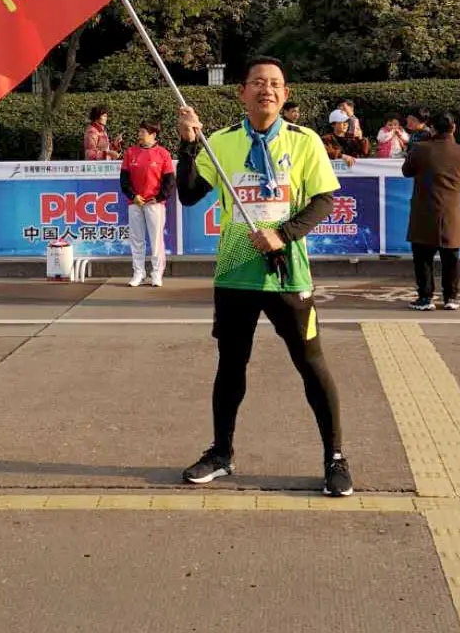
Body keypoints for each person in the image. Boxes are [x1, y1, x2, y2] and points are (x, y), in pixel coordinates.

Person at [175, 56, 352, 498]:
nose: (266, 89)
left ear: (285, 94)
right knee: (230, 365)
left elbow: (324, 200)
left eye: (274, 83)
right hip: (235, 273)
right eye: (257, 82)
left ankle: (335, 458)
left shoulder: (304, 140)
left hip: (288, 274)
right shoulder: (221, 141)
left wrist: (283, 234)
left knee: (311, 365)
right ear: (242, 93)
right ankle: (221, 453)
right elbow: (189, 195)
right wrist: (188, 145)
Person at [402, 113, 460, 312]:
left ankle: (425, 298)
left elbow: (406, 171)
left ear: (432, 129)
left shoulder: (420, 149)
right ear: (454, 128)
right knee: (451, 258)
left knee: (423, 257)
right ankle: (451, 297)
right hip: (451, 212)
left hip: (424, 212)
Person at [120, 120, 175, 287]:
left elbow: (169, 181)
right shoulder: (130, 152)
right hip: (135, 203)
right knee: (136, 239)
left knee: (156, 240)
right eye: (139, 132)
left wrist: (159, 197)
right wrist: (133, 196)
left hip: (155, 203)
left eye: (143, 132)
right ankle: (138, 273)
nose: (139, 135)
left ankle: (157, 274)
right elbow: (124, 179)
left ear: (153, 134)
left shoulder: (163, 154)